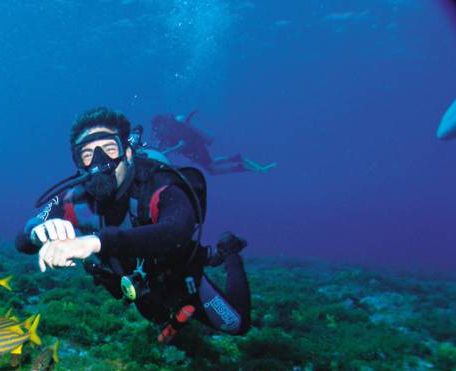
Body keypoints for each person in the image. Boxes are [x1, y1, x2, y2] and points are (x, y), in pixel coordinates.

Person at [14, 107, 252, 344]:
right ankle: (209, 258)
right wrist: (37, 233)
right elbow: (24, 237)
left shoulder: (158, 183)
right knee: (156, 314)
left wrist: (94, 242)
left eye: (109, 149)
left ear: (127, 152)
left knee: (235, 324)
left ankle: (228, 251)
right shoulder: (73, 199)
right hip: (136, 284)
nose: (99, 163)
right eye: (87, 154)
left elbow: (176, 231)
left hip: (177, 273)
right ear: (79, 163)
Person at [151, 111, 276, 175]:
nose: (157, 130)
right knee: (212, 164)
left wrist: (166, 152)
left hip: (196, 148)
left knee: (213, 170)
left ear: (162, 124)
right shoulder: (165, 133)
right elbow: (162, 147)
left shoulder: (173, 129)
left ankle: (243, 167)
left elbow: (182, 144)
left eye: (157, 127)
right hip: (193, 152)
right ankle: (237, 159)